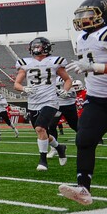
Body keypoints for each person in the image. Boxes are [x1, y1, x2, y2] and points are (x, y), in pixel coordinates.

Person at [59, 0, 107, 205]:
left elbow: (97, 66)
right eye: (81, 15)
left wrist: (96, 67)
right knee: (84, 140)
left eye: (89, 14)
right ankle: (83, 189)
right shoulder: (82, 38)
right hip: (97, 99)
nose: (84, 19)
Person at [14, 37, 72, 172]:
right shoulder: (25, 63)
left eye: (38, 46)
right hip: (33, 101)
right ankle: (59, 147)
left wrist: (65, 90)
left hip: (50, 100)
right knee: (41, 132)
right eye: (34, 46)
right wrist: (24, 88)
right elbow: (16, 84)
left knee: (40, 128)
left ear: (46, 47)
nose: (36, 49)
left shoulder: (54, 62)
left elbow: (67, 80)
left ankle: (43, 160)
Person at [47, 78, 82, 159]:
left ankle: (84, 143)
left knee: (75, 126)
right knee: (51, 126)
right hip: (56, 106)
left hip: (68, 105)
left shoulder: (67, 78)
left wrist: (67, 93)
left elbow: (75, 93)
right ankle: (54, 148)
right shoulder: (49, 76)